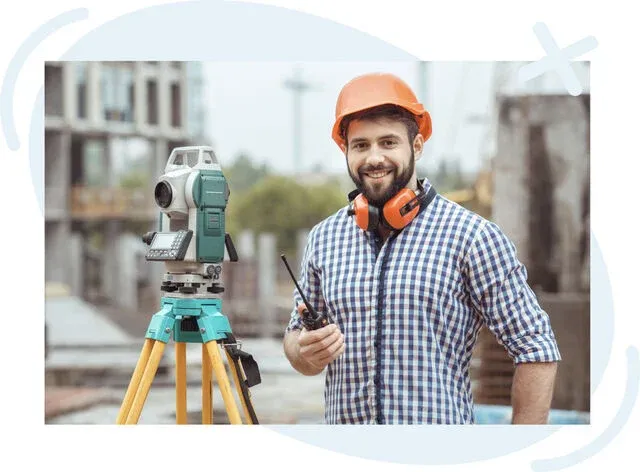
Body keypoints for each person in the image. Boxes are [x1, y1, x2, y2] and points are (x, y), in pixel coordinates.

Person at [283, 72, 561, 424]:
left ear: (416, 146)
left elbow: (536, 347)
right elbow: (295, 339)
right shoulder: (324, 238)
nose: (374, 157)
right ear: (346, 150)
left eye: (388, 142)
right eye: (361, 145)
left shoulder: (471, 236)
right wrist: (304, 353)